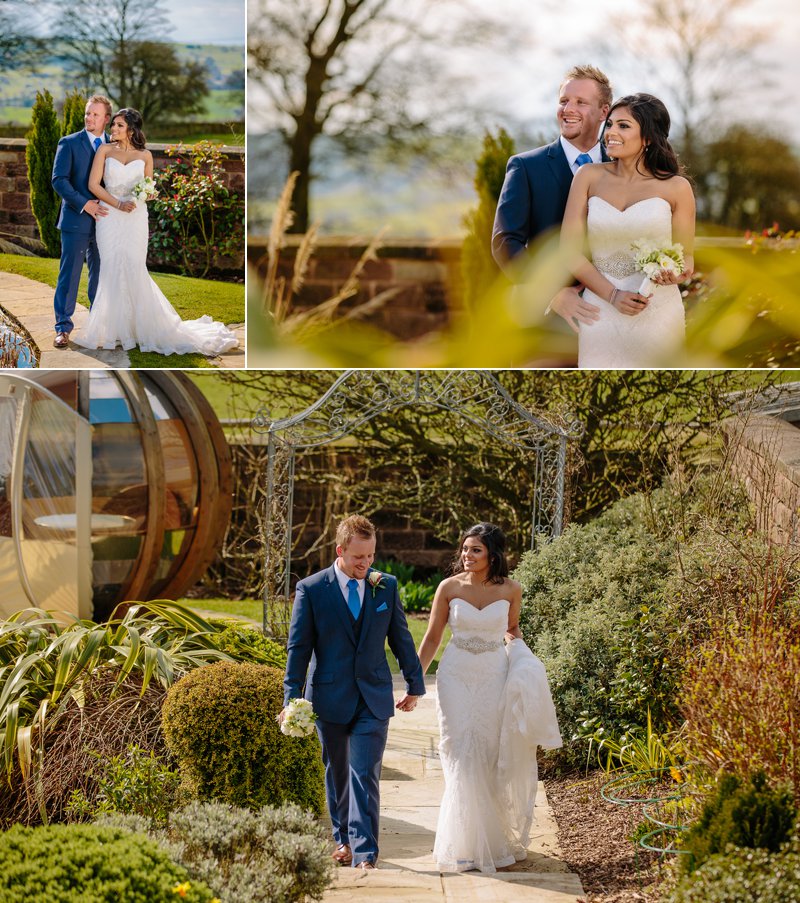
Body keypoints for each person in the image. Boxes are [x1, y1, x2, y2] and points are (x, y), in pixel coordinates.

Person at [281, 514, 426, 870]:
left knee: (365, 773)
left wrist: (415, 684)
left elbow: (401, 639)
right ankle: (342, 839)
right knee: (337, 771)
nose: (365, 564)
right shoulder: (312, 589)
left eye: (370, 556)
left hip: (373, 696)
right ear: (340, 550)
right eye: (358, 557)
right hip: (329, 696)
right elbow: (298, 648)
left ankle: (364, 852)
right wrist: (291, 698)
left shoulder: (385, 586)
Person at [417, 523, 561, 874]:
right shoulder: (448, 587)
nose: (467, 556)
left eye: (475, 550)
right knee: (458, 747)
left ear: (492, 555)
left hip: (493, 676)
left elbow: (512, 630)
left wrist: (526, 666)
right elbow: (433, 636)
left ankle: (490, 841)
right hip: (455, 675)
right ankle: (461, 844)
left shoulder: (512, 589)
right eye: (465, 549)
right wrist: (414, 681)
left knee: (487, 750)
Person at [71, 108, 238, 357]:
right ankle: (114, 330)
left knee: (135, 266)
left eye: (118, 126)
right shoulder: (104, 151)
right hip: (110, 216)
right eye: (113, 125)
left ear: (131, 129)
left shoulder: (146, 155)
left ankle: (143, 328)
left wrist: (148, 194)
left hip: (136, 218)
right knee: (111, 267)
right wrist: (117, 203)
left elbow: (148, 187)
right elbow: (93, 185)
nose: (113, 130)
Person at [560, 93, 695, 367]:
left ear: (647, 137)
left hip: (657, 309)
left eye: (623, 126)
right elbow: (568, 252)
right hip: (600, 309)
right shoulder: (588, 177)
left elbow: (687, 259)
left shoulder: (677, 188)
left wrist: (675, 273)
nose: (610, 132)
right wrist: (612, 295)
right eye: (609, 124)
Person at [492, 65, 612, 332]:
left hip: (614, 314)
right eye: (563, 101)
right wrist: (552, 294)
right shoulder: (526, 166)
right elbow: (505, 241)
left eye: (580, 102)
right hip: (546, 320)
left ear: (604, 111)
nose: (568, 109)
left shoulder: (622, 165)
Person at [51, 95, 112, 348]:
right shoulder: (69, 143)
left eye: (95, 114)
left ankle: (96, 327)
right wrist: (84, 203)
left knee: (99, 276)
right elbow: (59, 180)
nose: (89, 118)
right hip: (75, 221)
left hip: (105, 223)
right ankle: (63, 328)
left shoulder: (114, 145)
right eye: (88, 113)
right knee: (70, 275)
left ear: (106, 119)